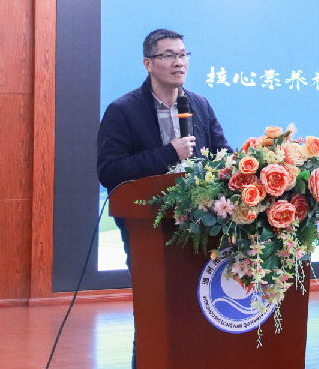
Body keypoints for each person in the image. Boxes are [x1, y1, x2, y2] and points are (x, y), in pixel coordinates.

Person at [96, 28, 231, 368]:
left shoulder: (199, 105)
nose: (178, 62)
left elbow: (223, 154)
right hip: (148, 228)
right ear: (148, 63)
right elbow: (109, 170)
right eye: (169, 55)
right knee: (155, 310)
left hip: (201, 225)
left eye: (183, 55)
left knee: (197, 307)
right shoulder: (123, 110)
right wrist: (168, 154)